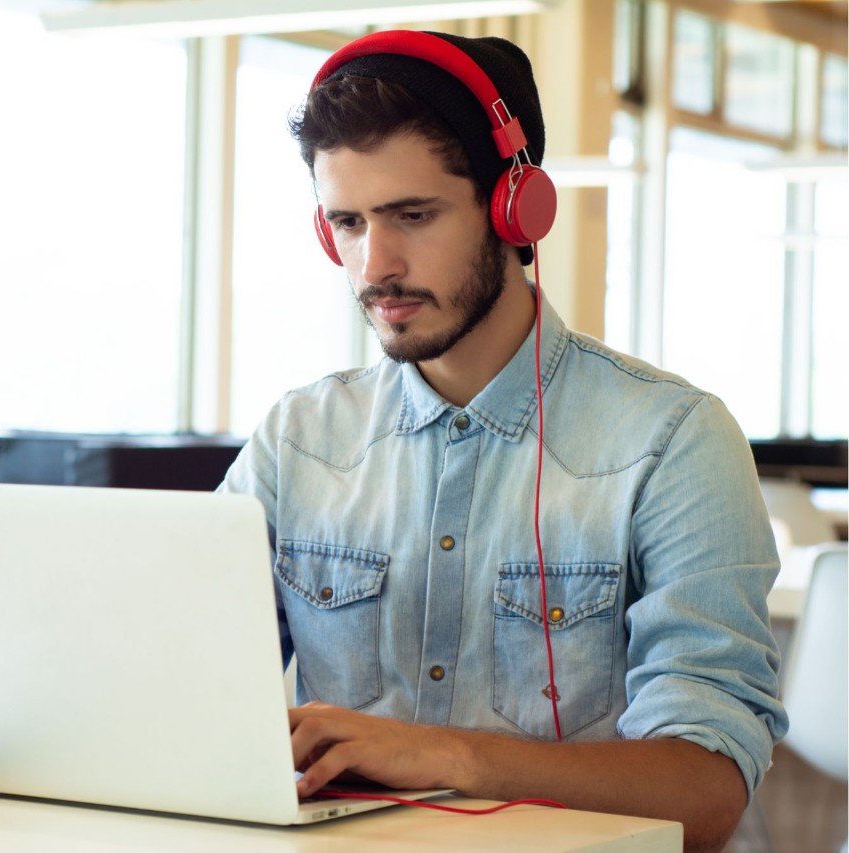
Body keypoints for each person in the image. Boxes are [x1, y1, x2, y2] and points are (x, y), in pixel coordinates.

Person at [218, 30, 786, 853]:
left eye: (413, 215)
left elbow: (703, 791)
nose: (375, 265)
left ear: (515, 208)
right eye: (347, 221)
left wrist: (445, 756)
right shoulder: (296, 440)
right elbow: (180, 685)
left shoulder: (673, 440)